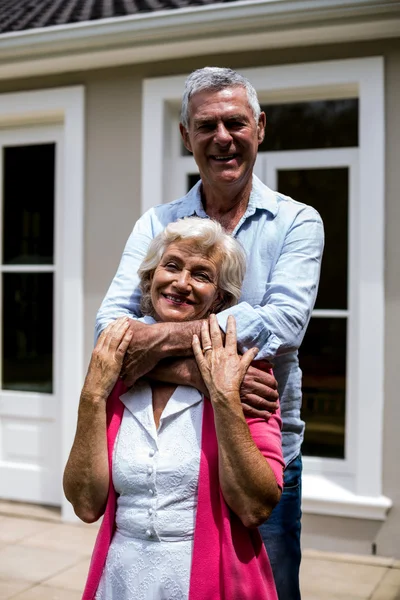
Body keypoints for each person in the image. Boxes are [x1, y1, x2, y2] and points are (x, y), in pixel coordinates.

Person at [96, 67, 325, 599]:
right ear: (186, 137)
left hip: (258, 451)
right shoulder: (157, 223)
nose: (222, 137)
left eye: (235, 123)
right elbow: (107, 330)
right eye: (206, 126)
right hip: (159, 456)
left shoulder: (296, 221)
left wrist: (157, 339)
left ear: (260, 128)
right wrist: (214, 379)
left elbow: (284, 323)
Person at [64, 217, 285, 600]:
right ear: (149, 280)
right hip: (120, 581)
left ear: (218, 299)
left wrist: (224, 397)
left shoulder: (246, 373)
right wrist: (92, 397)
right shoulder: (116, 365)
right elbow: (85, 504)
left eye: (202, 274)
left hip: (207, 579)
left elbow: (255, 508)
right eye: (172, 266)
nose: (182, 283)